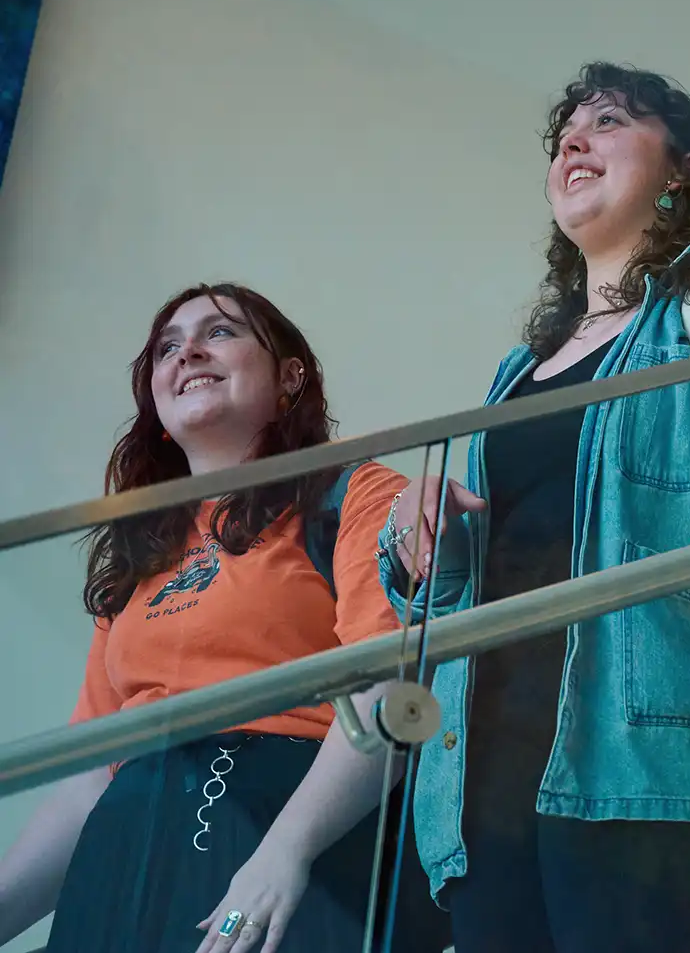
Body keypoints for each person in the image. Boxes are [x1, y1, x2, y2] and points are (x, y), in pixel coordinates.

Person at [376, 63, 690, 953]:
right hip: (491, 779)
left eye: (608, 122)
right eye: (566, 131)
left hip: (664, 763)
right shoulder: (520, 369)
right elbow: (458, 588)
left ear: (683, 169)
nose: (573, 141)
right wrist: (426, 535)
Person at [0, 283, 449, 953]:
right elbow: (90, 773)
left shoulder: (353, 493)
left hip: (288, 841)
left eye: (219, 333)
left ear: (289, 376)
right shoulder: (140, 546)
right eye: (167, 348)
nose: (187, 354)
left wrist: (283, 855)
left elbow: (387, 688)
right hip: (120, 862)